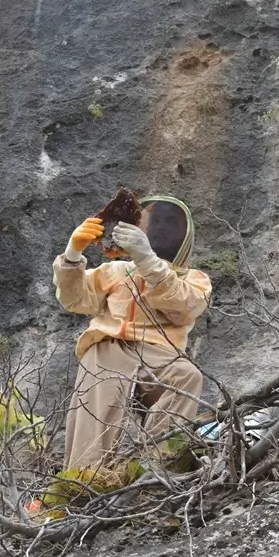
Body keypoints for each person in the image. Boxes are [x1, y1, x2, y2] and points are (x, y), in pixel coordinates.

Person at [53, 195, 212, 470]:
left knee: (187, 376)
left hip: (160, 354)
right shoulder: (116, 270)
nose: (162, 227)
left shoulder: (193, 278)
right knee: (96, 415)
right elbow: (75, 299)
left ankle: (158, 468)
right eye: (156, 221)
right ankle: (83, 482)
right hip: (108, 348)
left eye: (171, 222)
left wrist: (148, 260)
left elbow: (183, 305)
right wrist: (72, 255)